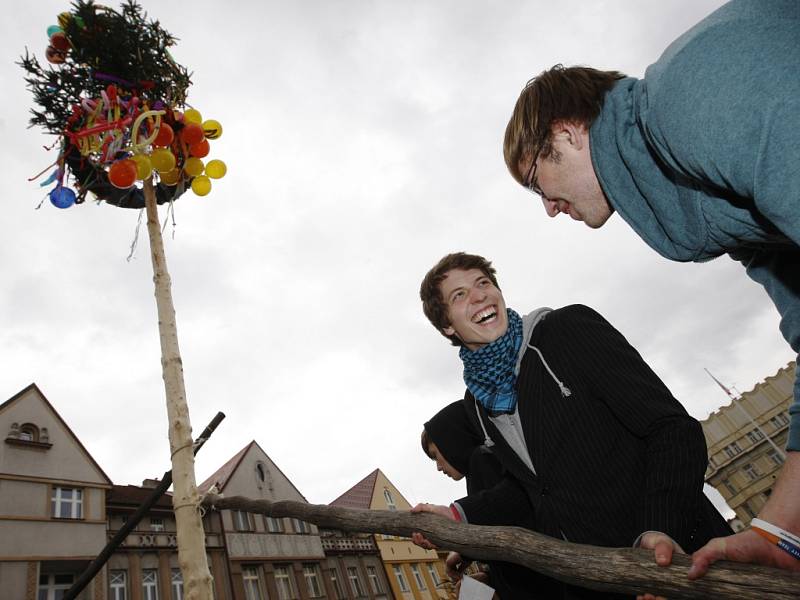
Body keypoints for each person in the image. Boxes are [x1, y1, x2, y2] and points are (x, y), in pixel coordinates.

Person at [501, 0, 800, 579]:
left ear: (566, 131)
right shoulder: (724, 209)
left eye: (539, 182)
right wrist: (780, 534)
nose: (548, 210)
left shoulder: (696, 91)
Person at [411, 252, 731, 599]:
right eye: (459, 295)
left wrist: (662, 529)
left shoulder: (566, 331)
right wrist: (458, 515)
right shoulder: (476, 401)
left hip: (679, 558)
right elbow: (532, 488)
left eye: (483, 283)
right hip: (595, 581)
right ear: (447, 326)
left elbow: (671, 428)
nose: (479, 295)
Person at [422, 401, 562, 599]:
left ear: (451, 441)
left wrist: (456, 517)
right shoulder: (479, 467)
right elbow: (500, 530)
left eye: (436, 455)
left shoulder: (484, 459)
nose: (438, 467)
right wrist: (487, 576)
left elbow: (510, 509)